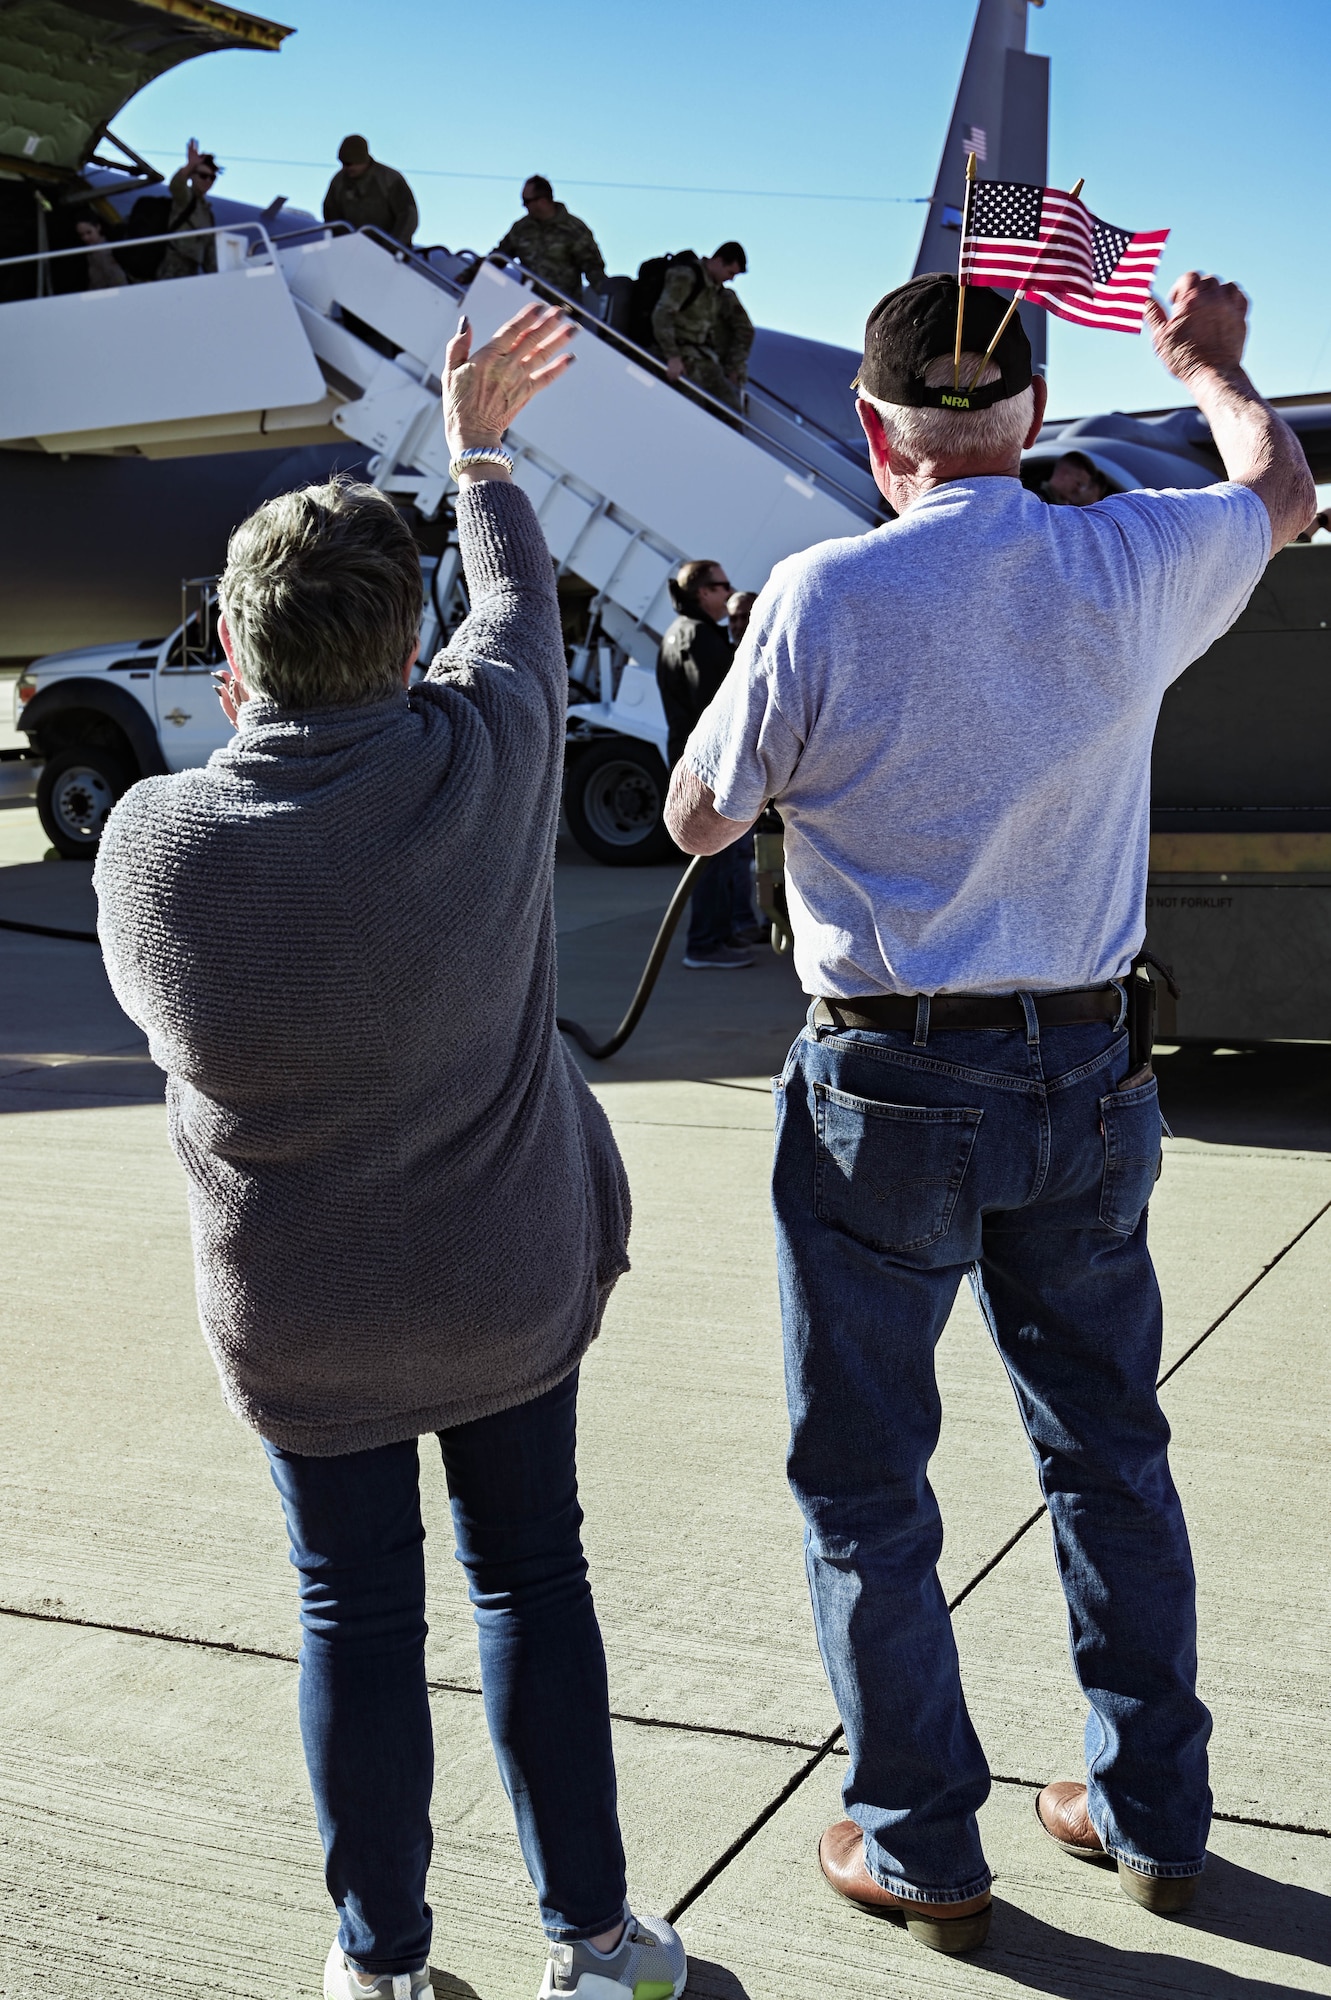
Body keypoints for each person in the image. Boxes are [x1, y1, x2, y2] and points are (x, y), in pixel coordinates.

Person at [665, 269, 1313, 1953]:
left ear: (878, 435)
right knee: (1107, 1451)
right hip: (1089, 1073)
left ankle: (921, 1844)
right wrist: (1212, 369)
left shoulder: (815, 596)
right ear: (1027, 421)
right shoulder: (1131, 560)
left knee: (870, 1485)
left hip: (885, 1082)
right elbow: (1283, 492)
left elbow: (694, 822)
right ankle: (1151, 1813)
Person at [93, 302, 687, 2000]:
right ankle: (598, 1944)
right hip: (505, 1283)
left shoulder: (151, 843)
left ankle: (380, 1967)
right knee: (530, 1579)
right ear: (403, 645)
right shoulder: (491, 753)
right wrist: (478, 449)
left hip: (300, 1315)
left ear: (231, 663)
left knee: (355, 1614)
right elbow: (519, 611)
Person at [656, 560, 761, 968]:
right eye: (722, 587)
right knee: (713, 857)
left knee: (722, 857)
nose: (727, 592)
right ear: (703, 592)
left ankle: (722, 933)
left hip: (688, 757)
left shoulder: (678, 634)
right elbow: (718, 710)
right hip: (705, 764)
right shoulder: (699, 637)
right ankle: (704, 943)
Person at [650, 242, 748, 412]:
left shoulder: (716, 290)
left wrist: (733, 366)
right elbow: (662, 315)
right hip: (680, 354)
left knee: (731, 410)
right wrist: (672, 356)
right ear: (718, 261)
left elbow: (743, 329)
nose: (731, 279)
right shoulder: (686, 277)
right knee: (695, 409)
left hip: (703, 358)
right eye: (730, 272)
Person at [494, 177, 606, 301]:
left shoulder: (574, 229)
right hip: (528, 307)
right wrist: (470, 275)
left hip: (562, 310)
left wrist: (607, 293)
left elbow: (593, 267)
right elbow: (497, 258)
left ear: (542, 201)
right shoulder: (521, 228)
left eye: (526, 201)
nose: (523, 205)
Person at [323, 135, 419, 248]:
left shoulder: (389, 179)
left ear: (361, 160)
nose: (345, 168)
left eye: (349, 164)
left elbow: (408, 215)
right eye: (342, 163)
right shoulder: (338, 182)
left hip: (390, 254)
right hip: (353, 252)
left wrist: (393, 246)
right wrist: (344, 243)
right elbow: (331, 215)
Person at [158, 141, 219, 280]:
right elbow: (176, 185)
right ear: (192, 176)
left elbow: (210, 251)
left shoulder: (207, 213)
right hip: (172, 269)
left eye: (212, 177)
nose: (208, 180)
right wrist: (190, 166)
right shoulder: (185, 199)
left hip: (191, 272)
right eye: (203, 175)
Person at [1042, 449, 1112, 506]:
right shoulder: (1039, 504)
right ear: (1064, 474)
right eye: (1078, 484)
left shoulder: (1055, 505)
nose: (1078, 490)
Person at [75, 215, 127, 290]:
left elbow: (116, 278)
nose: (85, 238)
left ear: (98, 227)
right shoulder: (91, 251)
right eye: (81, 235)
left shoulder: (106, 250)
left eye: (89, 232)